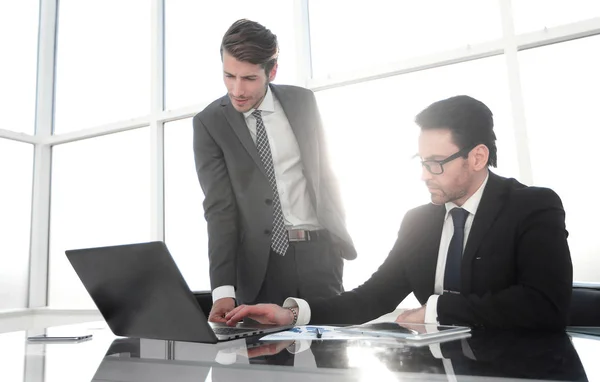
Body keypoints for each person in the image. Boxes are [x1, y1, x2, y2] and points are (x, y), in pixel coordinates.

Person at [224, 95, 573, 330]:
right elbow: (372, 297)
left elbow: (543, 304)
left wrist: (435, 312)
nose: (424, 175)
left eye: (436, 164)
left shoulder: (532, 207)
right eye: (421, 162)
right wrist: (293, 314)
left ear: (478, 158)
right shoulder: (419, 221)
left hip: (519, 370)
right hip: (438, 369)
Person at [193, 19, 356, 323]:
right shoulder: (209, 123)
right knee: (265, 364)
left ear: (272, 71)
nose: (237, 89)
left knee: (333, 358)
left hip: (319, 252)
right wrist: (223, 289)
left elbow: (325, 174)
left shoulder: (302, 101)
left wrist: (336, 237)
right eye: (229, 76)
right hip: (259, 265)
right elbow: (219, 209)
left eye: (249, 78)